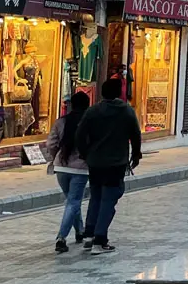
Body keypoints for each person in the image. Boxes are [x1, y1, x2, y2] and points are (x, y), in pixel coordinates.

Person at [75, 77, 142, 256]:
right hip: (116, 163)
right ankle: (100, 239)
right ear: (119, 92)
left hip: (95, 162)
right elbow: (136, 134)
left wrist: (85, 153)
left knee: (95, 196)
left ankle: (89, 234)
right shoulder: (126, 112)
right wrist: (136, 154)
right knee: (109, 199)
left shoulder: (92, 111)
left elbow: (80, 134)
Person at [45, 90, 90, 254]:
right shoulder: (89, 123)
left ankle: (80, 230)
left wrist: (57, 155)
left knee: (72, 201)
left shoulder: (61, 122)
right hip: (80, 167)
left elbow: (51, 144)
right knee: (73, 202)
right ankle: (61, 237)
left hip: (61, 166)